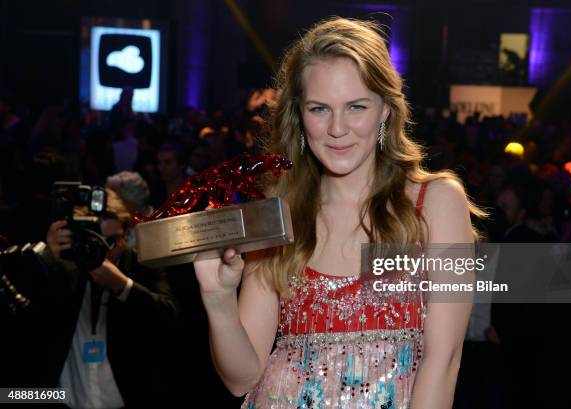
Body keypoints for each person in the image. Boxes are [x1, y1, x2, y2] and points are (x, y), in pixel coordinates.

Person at [193, 17, 484, 408]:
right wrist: (218, 298)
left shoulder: (435, 202)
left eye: (356, 106)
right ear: (299, 115)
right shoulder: (277, 215)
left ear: (385, 109)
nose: (337, 128)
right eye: (319, 109)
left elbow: (444, 359)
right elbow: (240, 378)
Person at [41, 188, 179, 408]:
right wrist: (47, 258)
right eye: (95, 240)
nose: (104, 251)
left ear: (126, 235)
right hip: (65, 399)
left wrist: (122, 285)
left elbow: (169, 316)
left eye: (112, 242)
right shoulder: (65, 266)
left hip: (125, 398)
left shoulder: (140, 266)